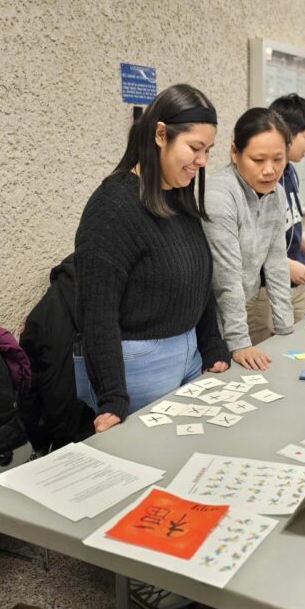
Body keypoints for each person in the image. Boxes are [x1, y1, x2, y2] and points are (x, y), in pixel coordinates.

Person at [74, 84, 230, 434]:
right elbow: (97, 313)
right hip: (141, 365)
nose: (202, 161)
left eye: (208, 150)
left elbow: (198, 278)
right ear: (161, 134)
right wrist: (112, 396)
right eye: (195, 148)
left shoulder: (177, 195)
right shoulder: (112, 206)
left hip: (189, 352)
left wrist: (212, 345)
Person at [204, 108, 295, 371]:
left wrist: (286, 329)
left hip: (243, 302)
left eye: (279, 159)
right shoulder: (219, 194)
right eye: (258, 160)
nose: (270, 170)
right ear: (235, 152)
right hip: (207, 319)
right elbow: (226, 277)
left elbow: (277, 263)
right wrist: (239, 342)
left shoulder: (276, 193)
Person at [246, 93, 305, 339]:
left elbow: (288, 222)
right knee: (268, 358)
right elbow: (246, 242)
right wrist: (283, 265)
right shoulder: (259, 180)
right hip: (264, 289)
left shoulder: (290, 172)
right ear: (286, 134)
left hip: (295, 285)